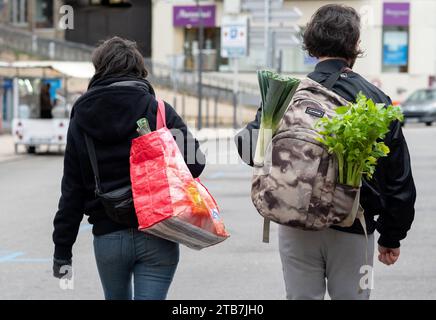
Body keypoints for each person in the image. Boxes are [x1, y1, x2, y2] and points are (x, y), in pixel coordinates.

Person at [235, 4, 416, 300]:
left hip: (294, 220)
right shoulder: (375, 99)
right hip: (355, 226)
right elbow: (398, 179)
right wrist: (391, 235)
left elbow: (246, 148)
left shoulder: (288, 93)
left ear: (310, 42)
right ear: (356, 45)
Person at [52, 37, 206, 300]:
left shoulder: (81, 116)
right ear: (139, 70)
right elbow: (195, 162)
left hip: (108, 237)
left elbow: (72, 190)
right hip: (159, 230)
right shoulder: (158, 110)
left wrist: (62, 250)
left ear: (99, 69)